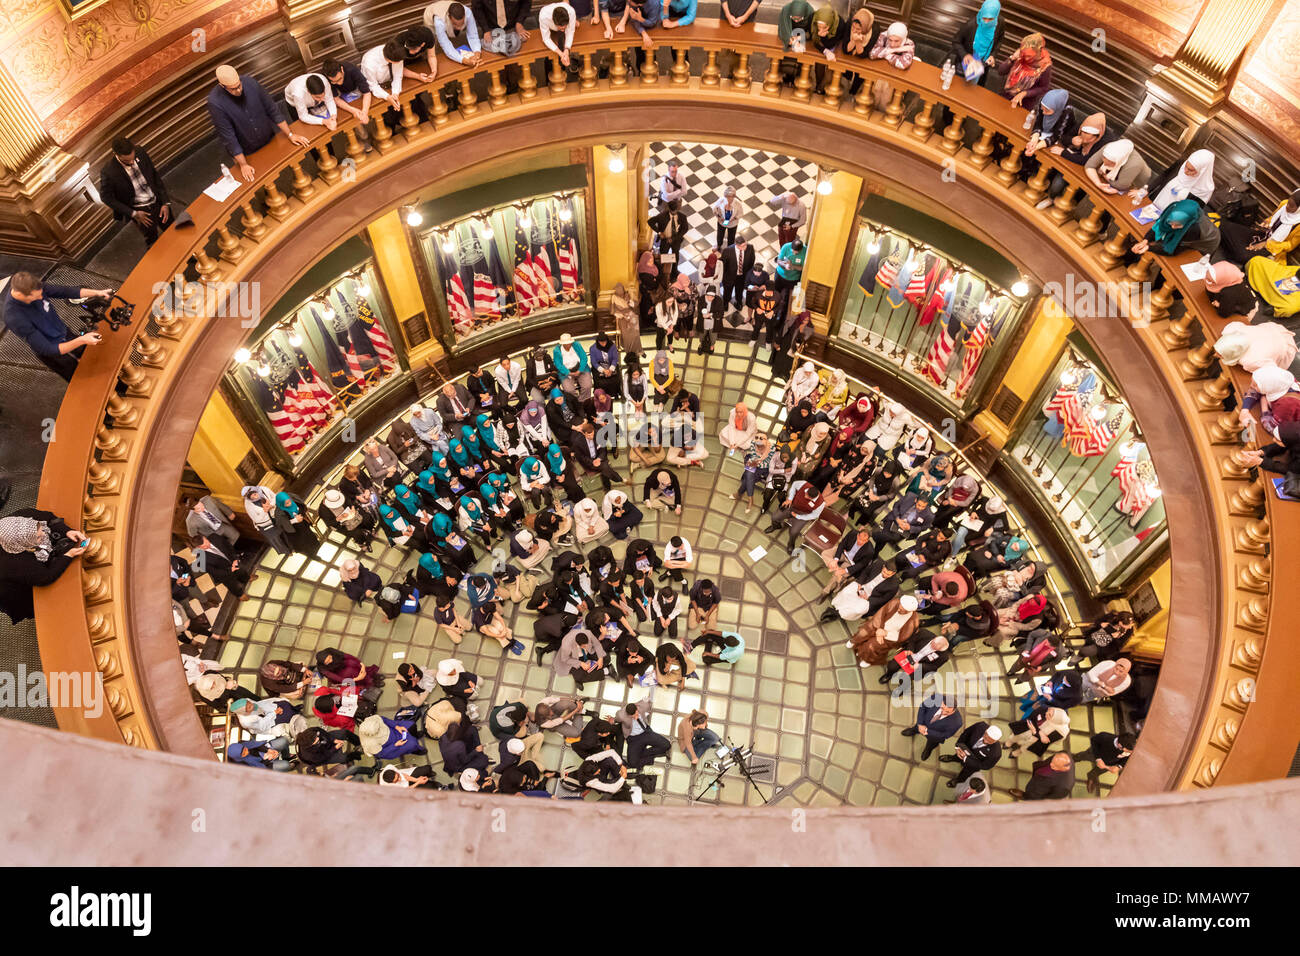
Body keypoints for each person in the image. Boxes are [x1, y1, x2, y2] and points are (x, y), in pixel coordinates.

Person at [2, 272, 113, 381]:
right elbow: (47, 349)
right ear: (21, 295)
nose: (41, 298)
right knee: (83, 379)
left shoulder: (35, 287)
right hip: (55, 352)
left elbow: (65, 291)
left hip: (64, 333)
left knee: (96, 361)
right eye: (36, 297)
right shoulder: (14, 317)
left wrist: (98, 293)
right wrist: (82, 340)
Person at [207, 65, 309, 182]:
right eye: (233, 89)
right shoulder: (215, 103)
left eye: (239, 85)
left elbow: (272, 109)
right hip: (246, 148)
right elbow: (228, 136)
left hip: (268, 135)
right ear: (222, 86)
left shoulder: (251, 83)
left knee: (284, 167)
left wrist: (290, 134)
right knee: (260, 180)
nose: (239, 90)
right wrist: (243, 164)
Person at [0, 510, 91, 624]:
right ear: (23, 542)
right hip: (15, 589)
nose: (43, 534)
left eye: (40, 528)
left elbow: (48, 517)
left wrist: (67, 531)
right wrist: (68, 555)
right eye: (37, 537)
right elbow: (45, 577)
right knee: (42, 606)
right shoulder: (15, 564)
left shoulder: (17, 521)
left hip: (28, 565)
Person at [98, 138, 171, 247]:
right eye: (127, 161)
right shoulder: (108, 172)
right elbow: (106, 197)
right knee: (153, 242)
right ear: (116, 154)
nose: (132, 162)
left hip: (158, 202)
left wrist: (165, 202)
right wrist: (134, 214)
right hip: (141, 211)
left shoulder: (140, 152)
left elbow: (154, 176)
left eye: (133, 158)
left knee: (173, 230)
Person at [1130, 148, 1216, 212]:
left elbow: (1190, 213)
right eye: (1186, 166)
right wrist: (1146, 190)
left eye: (1191, 170)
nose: (1185, 171)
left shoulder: (1204, 189)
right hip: (1153, 205)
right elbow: (1164, 175)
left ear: (1202, 171)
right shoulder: (1181, 164)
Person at [1130, 198, 1220, 258]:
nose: (1173, 227)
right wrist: (1145, 240)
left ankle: (1148, 286)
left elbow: (1172, 249)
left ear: (1187, 222)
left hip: (1202, 244)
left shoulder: (1193, 229)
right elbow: (1158, 226)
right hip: (1189, 232)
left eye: (1177, 225)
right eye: (1170, 223)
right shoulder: (1173, 210)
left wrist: (1149, 248)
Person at [849, 594, 919, 668]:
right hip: (879, 625)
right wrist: (879, 628)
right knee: (863, 632)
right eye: (899, 606)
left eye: (901, 610)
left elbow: (902, 637)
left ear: (908, 611)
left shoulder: (913, 621)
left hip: (889, 637)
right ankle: (853, 642)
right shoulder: (895, 603)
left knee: (872, 646)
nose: (898, 609)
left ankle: (868, 659)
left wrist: (886, 633)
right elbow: (881, 613)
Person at [321, 57, 374, 149]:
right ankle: (364, 137)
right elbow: (335, 99)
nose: (339, 83)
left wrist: (364, 112)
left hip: (356, 90)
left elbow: (366, 92)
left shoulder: (351, 69)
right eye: (334, 82)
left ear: (342, 69)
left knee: (362, 112)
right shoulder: (326, 78)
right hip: (340, 96)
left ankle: (365, 136)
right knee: (356, 121)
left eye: (340, 79)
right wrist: (352, 110)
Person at [950, 0, 1003, 86]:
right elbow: (956, 41)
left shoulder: (1000, 23)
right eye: (984, 18)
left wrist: (993, 55)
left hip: (983, 64)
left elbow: (1000, 40)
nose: (986, 21)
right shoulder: (970, 25)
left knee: (974, 89)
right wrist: (964, 55)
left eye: (990, 19)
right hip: (965, 63)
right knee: (957, 86)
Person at [995, 33, 1052, 110]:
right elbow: (1001, 71)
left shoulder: (1044, 66)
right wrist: (1012, 59)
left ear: (1038, 52)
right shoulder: (1020, 54)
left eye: (1029, 56)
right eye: (1024, 55)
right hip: (1005, 95)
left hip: (1023, 104)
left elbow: (1043, 88)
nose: (1026, 59)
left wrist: (1025, 93)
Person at [190, 535, 253, 600]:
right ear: (198, 547)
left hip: (232, 561)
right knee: (233, 586)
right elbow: (215, 572)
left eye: (207, 542)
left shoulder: (215, 537)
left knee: (241, 571)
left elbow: (229, 547)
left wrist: (235, 559)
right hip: (224, 575)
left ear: (205, 538)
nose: (208, 545)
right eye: (204, 546)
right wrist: (231, 569)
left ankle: (247, 578)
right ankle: (240, 594)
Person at [940, 721, 1002, 787]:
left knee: (966, 773)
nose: (985, 741)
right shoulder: (980, 726)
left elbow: (986, 766)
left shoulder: (996, 753)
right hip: (964, 749)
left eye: (990, 741)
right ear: (986, 730)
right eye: (985, 737)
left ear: (996, 741)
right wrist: (958, 746)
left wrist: (966, 759)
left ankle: (958, 780)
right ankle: (953, 758)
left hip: (972, 765)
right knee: (957, 756)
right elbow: (966, 733)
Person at [619, 695, 672, 768]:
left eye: (636, 714)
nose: (635, 717)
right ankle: (650, 758)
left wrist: (649, 699)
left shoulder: (642, 706)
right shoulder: (621, 715)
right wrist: (612, 720)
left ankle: (641, 753)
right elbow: (616, 719)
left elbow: (648, 699)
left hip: (646, 732)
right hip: (633, 739)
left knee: (666, 745)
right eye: (632, 716)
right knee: (632, 763)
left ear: (637, 709)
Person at [1009, 751, 1075, 800]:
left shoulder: (1064, 787)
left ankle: (1025, 797)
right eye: (1052, 761)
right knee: (1033, 784)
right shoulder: (1064, 754)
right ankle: (1028, 793)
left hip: (1040, 792)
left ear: (1064, 768)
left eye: (1055, 766)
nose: (1051, 764)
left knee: (1033, 796)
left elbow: (1051, 799)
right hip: (1039, 776)